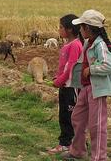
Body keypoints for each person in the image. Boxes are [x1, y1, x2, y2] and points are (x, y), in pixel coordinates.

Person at [61, 9, 111, 161]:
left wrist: (91, 70)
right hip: (86, 88)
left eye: (82, 27)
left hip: (97, 90)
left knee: (97, 125)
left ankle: (99, 157)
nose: (80, 30)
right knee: (77, 117)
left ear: (88, 28)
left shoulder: (100, 46)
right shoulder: (88, 43)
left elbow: (107, 65)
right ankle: (78, 151)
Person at [47, 14, 83, 154]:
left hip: (70, 86)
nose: (59, 29)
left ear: (69, 29)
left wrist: (59, 81)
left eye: (61, 27)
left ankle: (67, 144)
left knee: (69, 116)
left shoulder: (74, 45)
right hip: (65, 85)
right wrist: (58, 77)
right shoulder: (68, 44)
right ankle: (70, 143)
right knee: (64, 115)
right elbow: (65, 66)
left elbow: (71, 68)